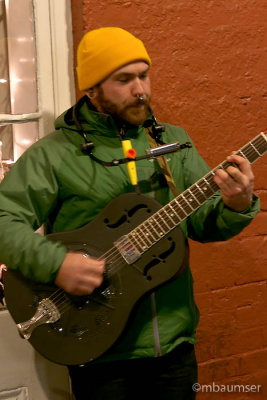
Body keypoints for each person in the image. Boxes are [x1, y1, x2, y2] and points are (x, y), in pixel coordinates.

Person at [0, 27, 260, 399]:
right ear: (91, 89)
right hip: (98, 347)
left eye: (144, 75)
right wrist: (57, 264)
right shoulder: (53, 155)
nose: (141, 89)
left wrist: (236, 205)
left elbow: (203, 223)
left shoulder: (171, 142)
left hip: (174, 345)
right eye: (124, 79)